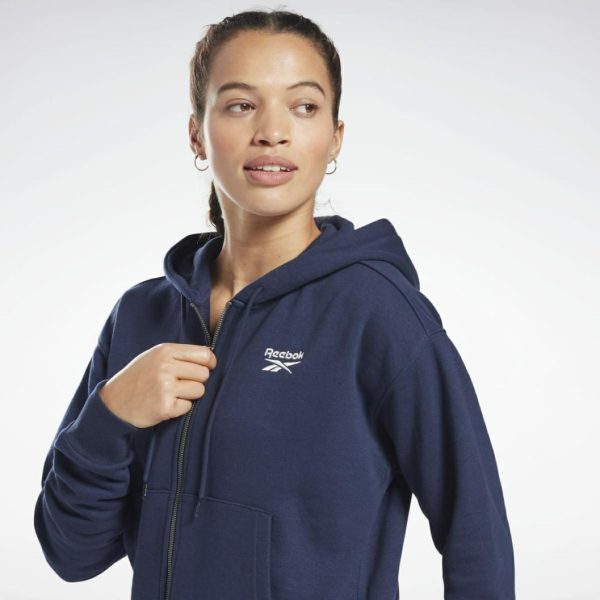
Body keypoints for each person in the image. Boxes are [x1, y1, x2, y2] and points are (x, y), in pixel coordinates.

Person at [33, 8, 515, 600]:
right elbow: (71, 554)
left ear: (335, 137)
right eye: (241, 105)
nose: (272, 131)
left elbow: (478, 539)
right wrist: (109, 416)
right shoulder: (140, 316)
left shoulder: (378, 315)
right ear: (197, 133)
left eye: (304, 106)